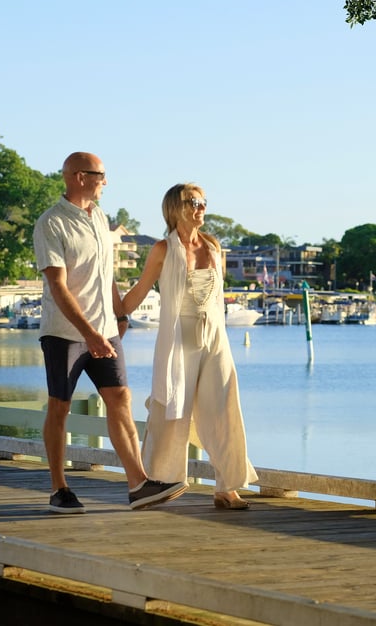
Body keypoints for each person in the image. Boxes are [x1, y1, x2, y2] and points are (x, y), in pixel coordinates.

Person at [33, 152, 187, 513]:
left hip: (105, 330)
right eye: (100, 174)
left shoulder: (100, 217)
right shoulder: (51, 223)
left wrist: (119, 313)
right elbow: (58, 286)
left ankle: (139, 484)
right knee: (60, 406)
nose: (106, 181)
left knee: (120, 398)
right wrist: (89, 334)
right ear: (79, 177)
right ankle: (59, 488)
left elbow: (106, 274)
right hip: (64, 333)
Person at [122, 183, 258, 509]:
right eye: (193, 202)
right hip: (178, 337)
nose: (201, 207)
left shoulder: (212, 245)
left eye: (203, 202)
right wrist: (113, 317)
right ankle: (157, 482)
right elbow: (140, 290)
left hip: (214, 336)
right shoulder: (162, 249)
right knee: (171, 408)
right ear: (176, 208)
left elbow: (216, 298)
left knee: (223, 407)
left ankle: (227, 487)